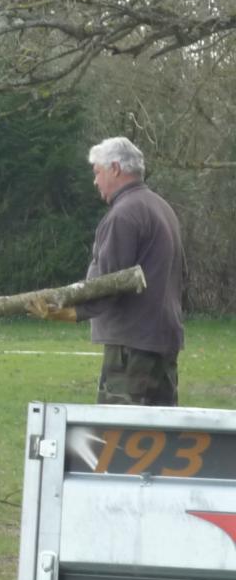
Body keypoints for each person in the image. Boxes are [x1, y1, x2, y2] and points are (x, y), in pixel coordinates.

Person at [29, 136, 184, 405]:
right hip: (161, 341)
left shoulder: (124, 214)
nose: (95, 181)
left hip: (132, 349)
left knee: (121, 438)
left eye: (97, 172)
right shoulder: (161, 207)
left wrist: (71, 313)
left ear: (115, 168)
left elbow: (109, 284)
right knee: (159, 439)